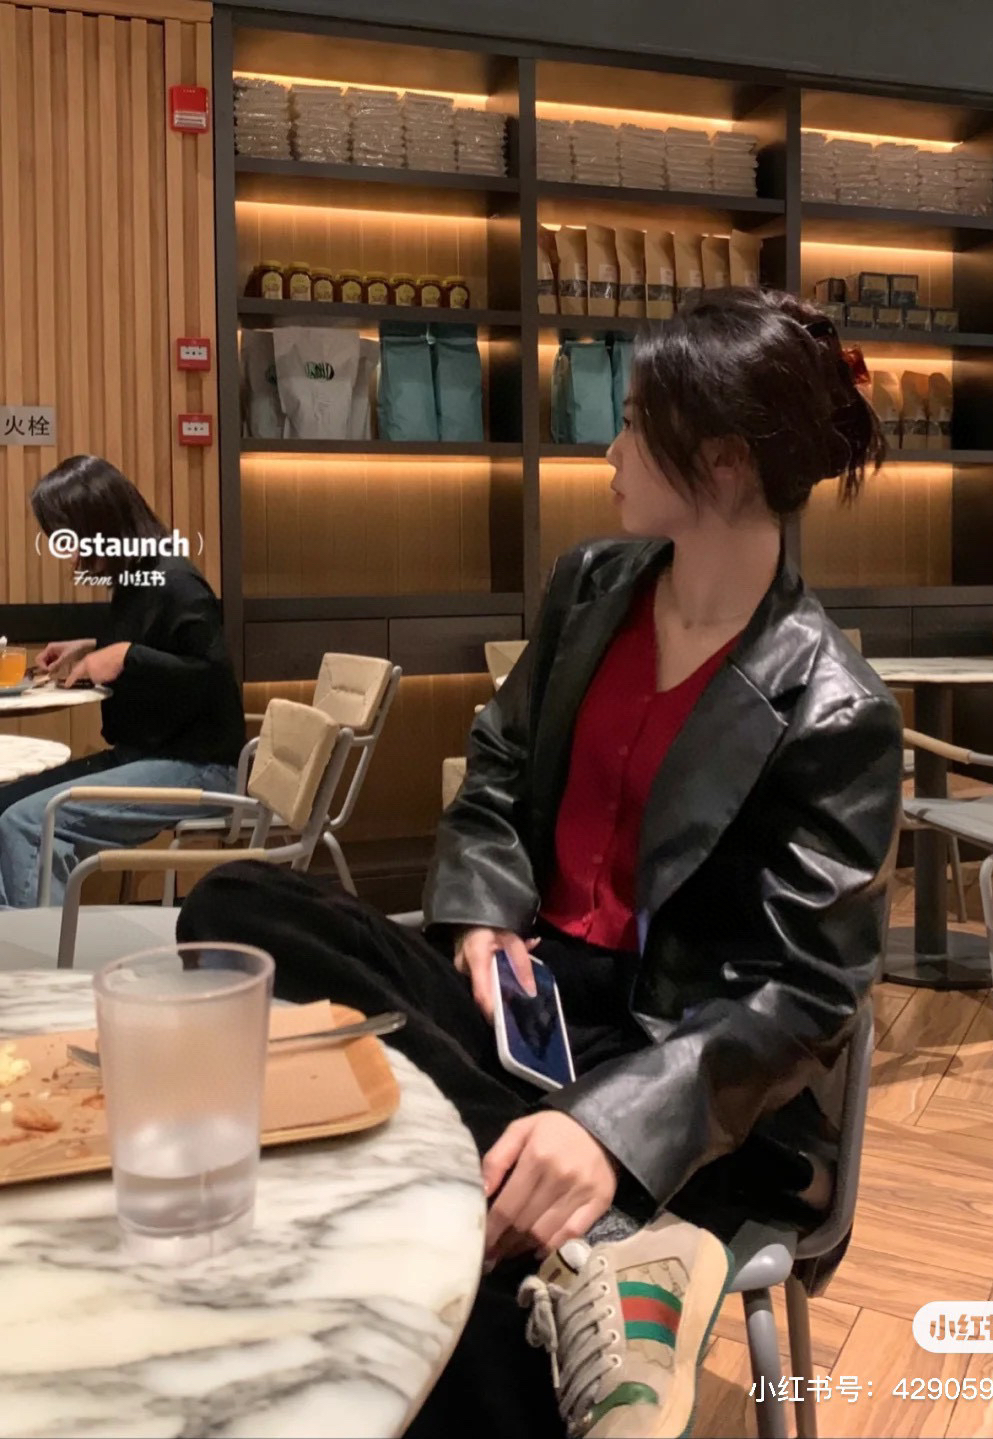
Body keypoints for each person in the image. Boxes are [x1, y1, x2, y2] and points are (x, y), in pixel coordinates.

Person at [177, 289, 903, 1439]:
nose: (608, 449)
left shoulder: (835, 708)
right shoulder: (593, 584)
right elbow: (501, 764)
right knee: (238, 903)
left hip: (677, 1070)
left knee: (453, 1236)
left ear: (721, 462)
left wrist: (609, 1126)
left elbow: (803, 993)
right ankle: (604, 1248)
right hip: (525, 999)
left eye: (636, 424)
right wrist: (479, 918)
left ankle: (545, 1198)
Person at [0, 456, 246, 908]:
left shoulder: (175, 579)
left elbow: (211, 676)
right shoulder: (137, 580)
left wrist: (125, 656)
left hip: (201, 766)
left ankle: (44, 949)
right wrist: (92, 648)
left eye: (67, 537)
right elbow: (153, 647)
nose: (66, 552)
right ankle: (13, 938)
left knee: (31, 822)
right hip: (147, 754)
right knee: (5, 804)